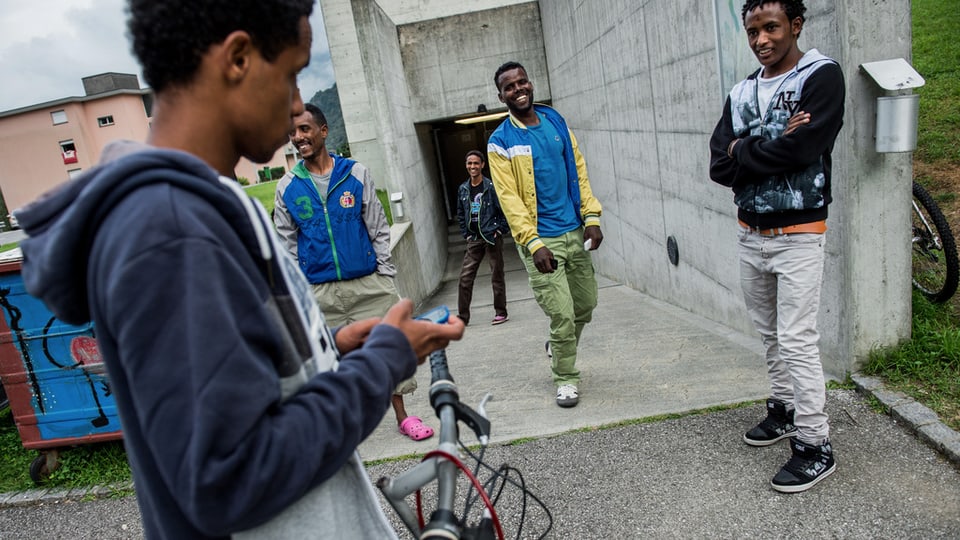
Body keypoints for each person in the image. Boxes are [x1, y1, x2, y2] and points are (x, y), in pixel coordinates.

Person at [15, 1, 464, 538]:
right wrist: (385, 363)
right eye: (293, 75)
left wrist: (328, 344)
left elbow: (236, 367)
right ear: (238, 58)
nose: (299, 103)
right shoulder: (169, 230)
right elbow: (225, 479)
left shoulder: (214, 202)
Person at [709, 0, 844, 493]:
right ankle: (784, 409)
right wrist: (760, 147)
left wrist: (741, 147)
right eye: (753, 31)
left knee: (797, 340)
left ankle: (815, 444)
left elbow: (803, 149)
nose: (761, 39)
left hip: (799, 234)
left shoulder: (820, 75)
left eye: (771, 28)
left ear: (795, 25)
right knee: (769, 334)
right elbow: (717, 167)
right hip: (751, 234)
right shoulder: (742, 91)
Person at [274, 103, 434, 442]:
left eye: (304, 129)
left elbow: (377, 226)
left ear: (323, 130)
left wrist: (384, 276)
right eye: (292, 133)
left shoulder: (355, 173)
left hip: (367, 284)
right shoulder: (287, 186)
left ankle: (403, 417)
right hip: (319, 291)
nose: (298, 138)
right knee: (321, 363)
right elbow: (285, 244)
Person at [487, 61, 603, 408]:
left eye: (522, 82)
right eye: (510, 86)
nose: (518, 89)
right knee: (562, 314)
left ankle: (558, 345)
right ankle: (565, 377)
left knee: (586, 304)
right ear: (501, 95)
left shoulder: (555, 121)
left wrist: (592, 215)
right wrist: (533, 242)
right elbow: (509, 200)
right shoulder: (500, 141)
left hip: (574, 229)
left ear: (531, 84)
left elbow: (578, 170)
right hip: (540, 240)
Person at [455, 149, 511, 327]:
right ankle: (463, 317)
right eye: (469, 163)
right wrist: (466, 233)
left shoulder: (491, 187)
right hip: (474, 239)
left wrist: (500, 230)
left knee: (496, 274)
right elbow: (460, 214)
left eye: (476, 163)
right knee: (465, 278)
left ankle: (501, 312)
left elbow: (505, 210)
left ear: (482, 165)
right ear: (466, 166)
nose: (473, 166)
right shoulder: (463, 189)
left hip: (491, 236)